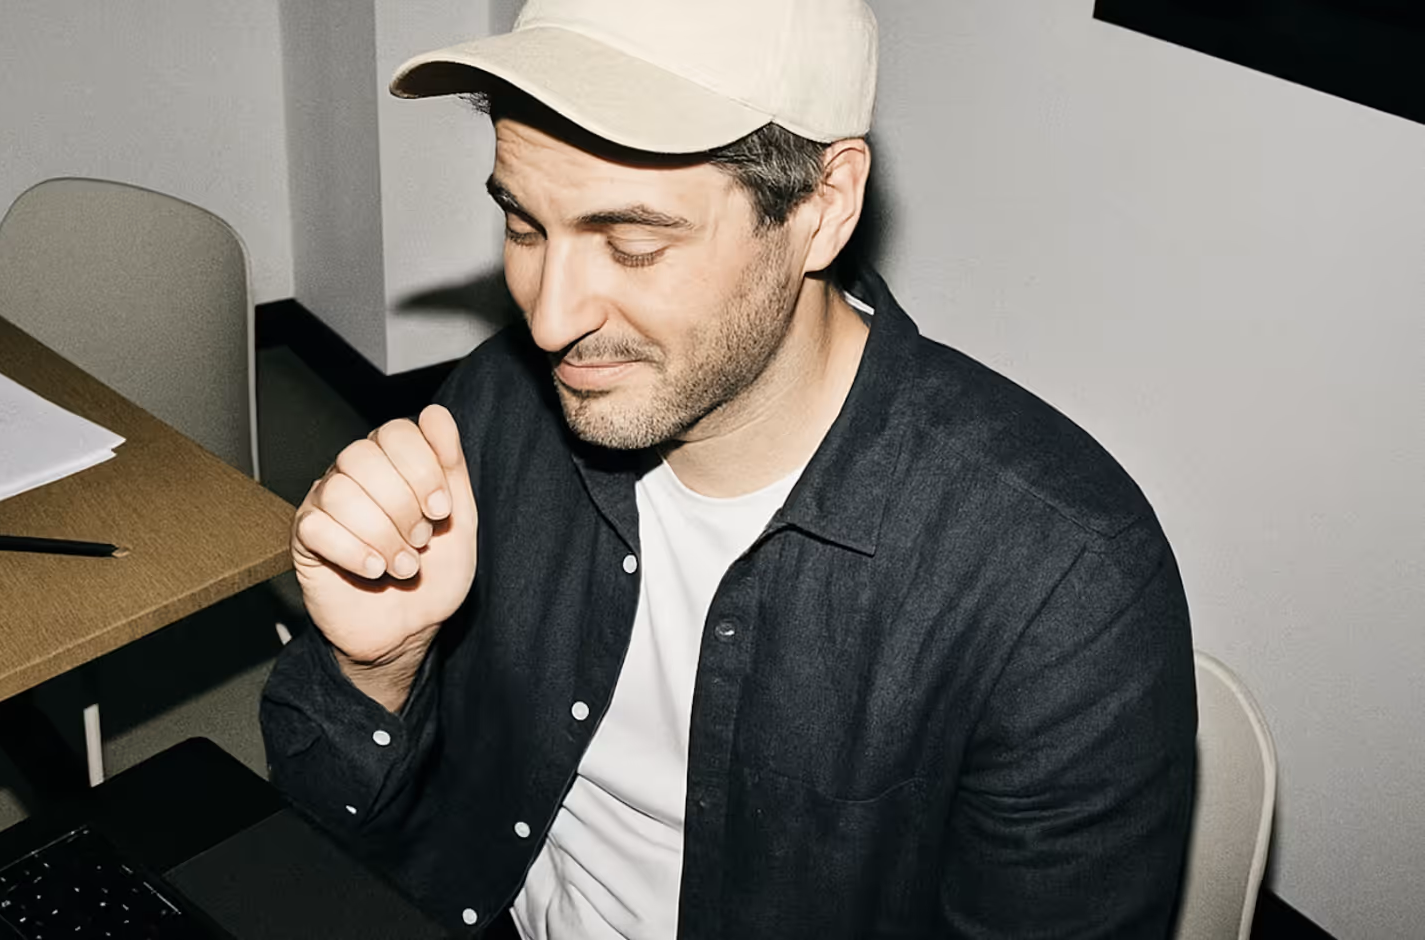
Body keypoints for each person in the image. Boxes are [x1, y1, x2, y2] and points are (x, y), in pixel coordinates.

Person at [261, 0, 1197, 937]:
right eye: (524, 226)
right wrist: (374, 668)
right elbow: (319, 834)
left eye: (634, 245)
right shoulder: (501, 409)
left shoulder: (1064, 585)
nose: (548, 322)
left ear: (823, 209)